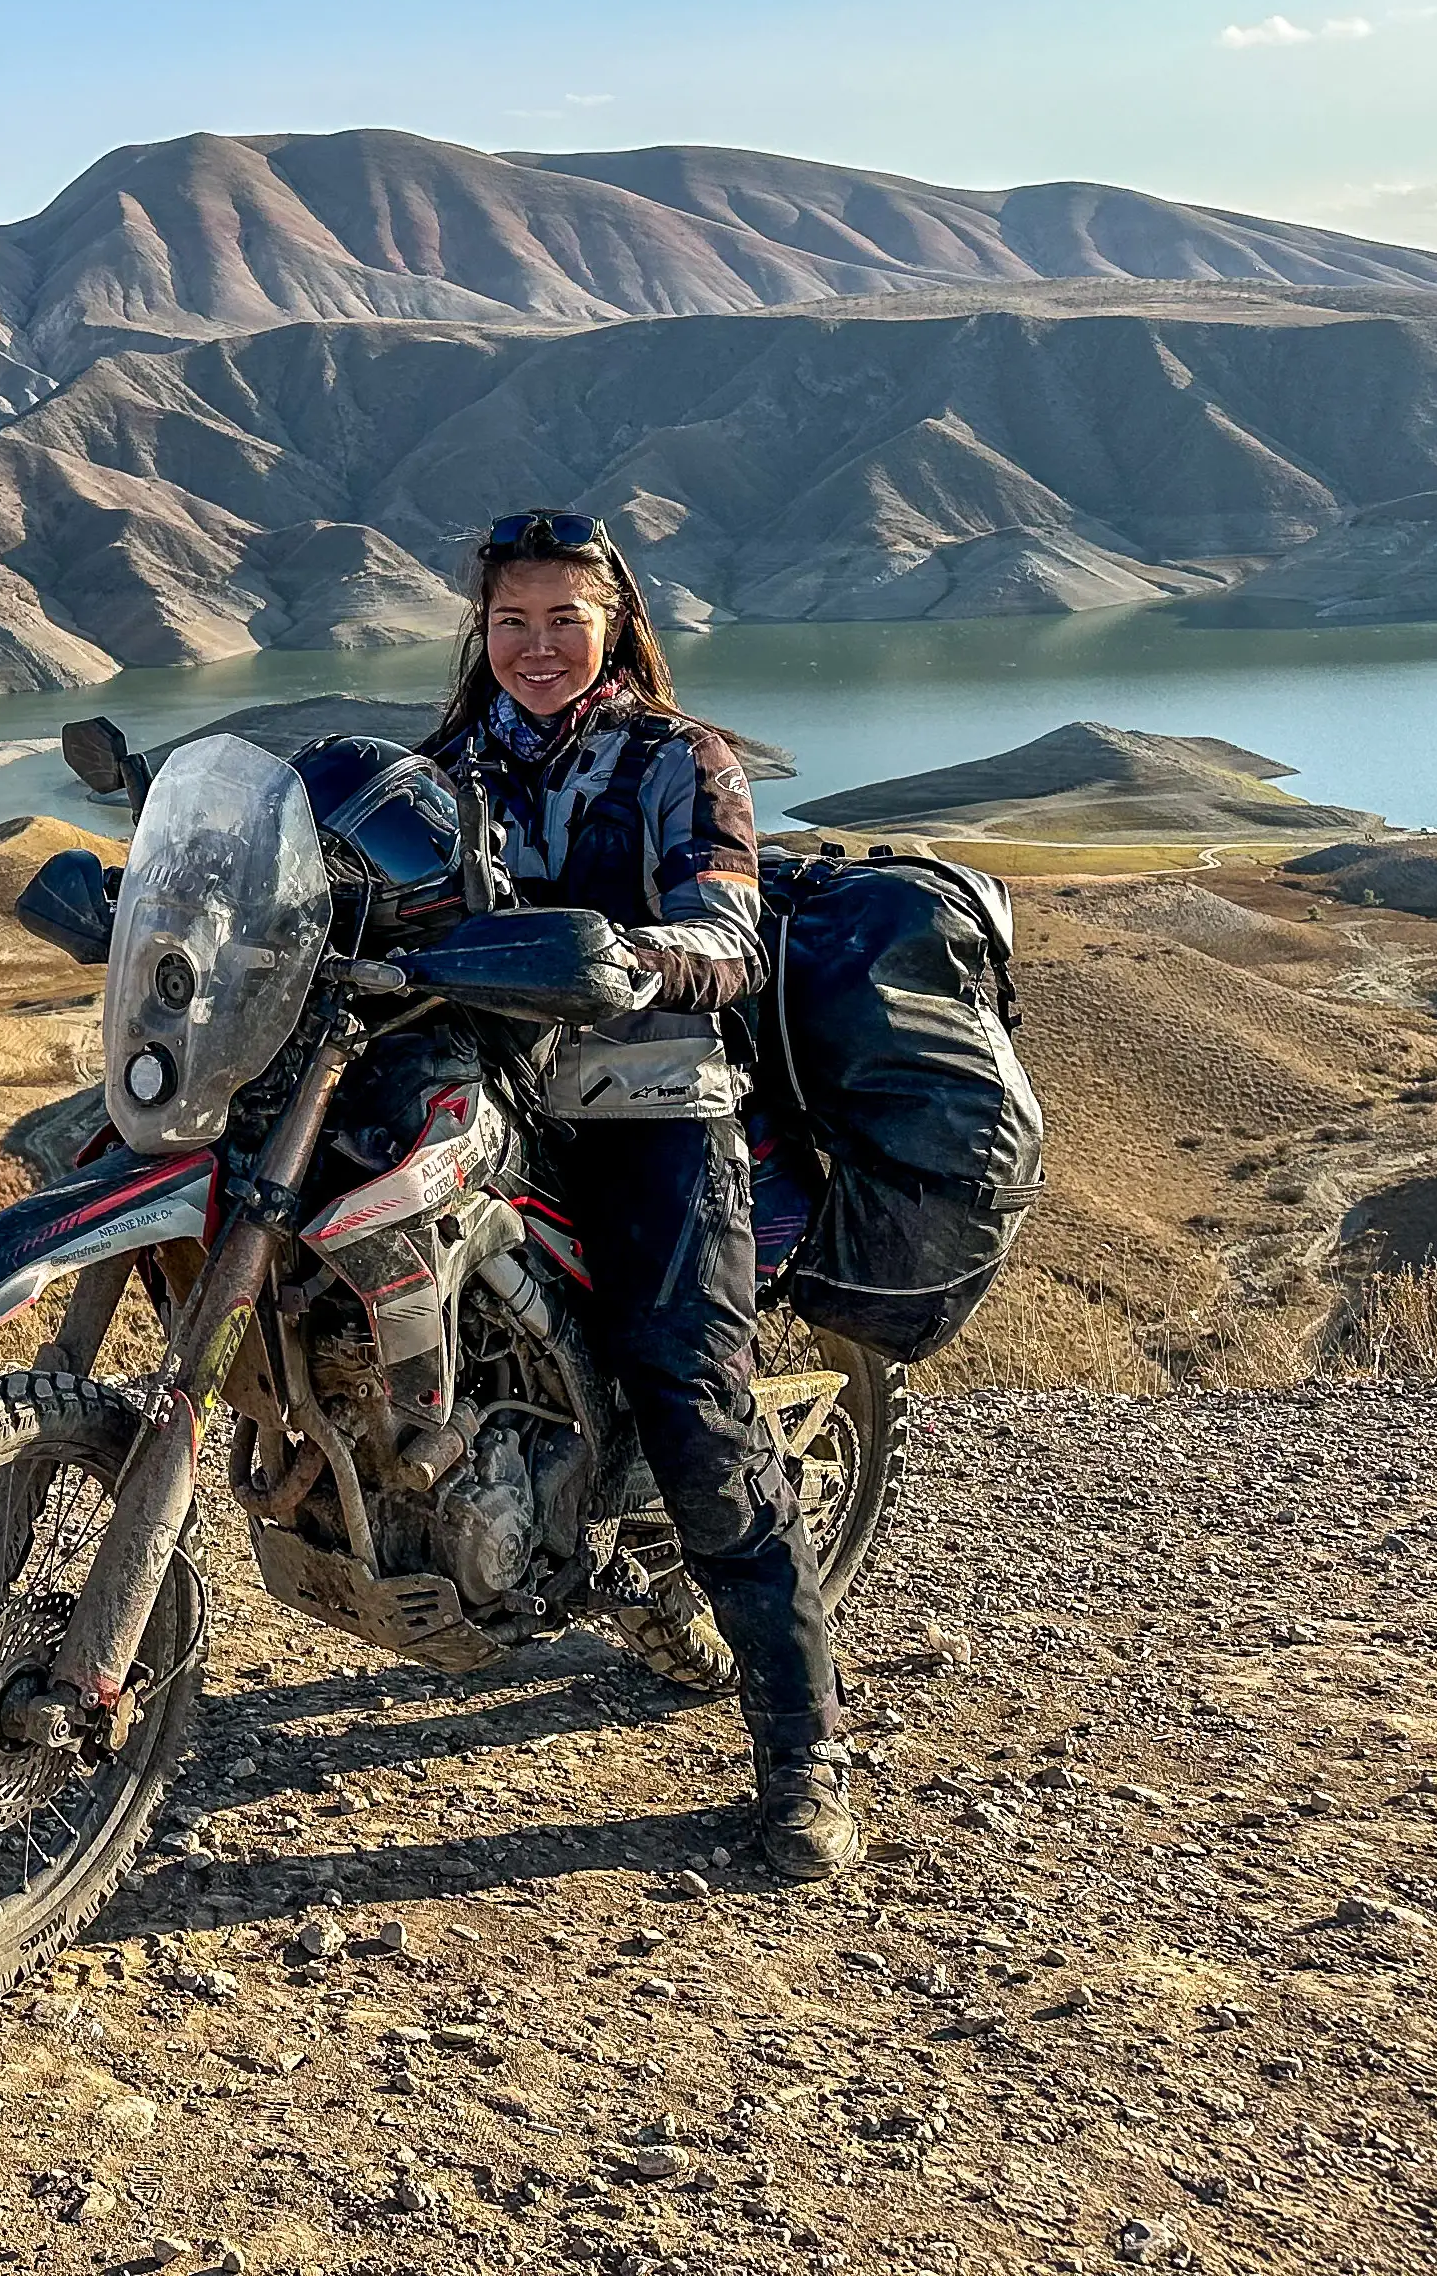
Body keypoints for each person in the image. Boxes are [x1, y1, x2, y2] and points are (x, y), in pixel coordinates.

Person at [424, 507, 860, 1882]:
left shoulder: (681, 762)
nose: (537, 646)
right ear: (480, 635)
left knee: (689, 1399)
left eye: (565, 619)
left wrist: (636, 957)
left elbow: (734, 928)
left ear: (616, 622)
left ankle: (804, 1750)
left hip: (649, 1103)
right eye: (512, 622)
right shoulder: (449, 762)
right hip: (483, 1094)